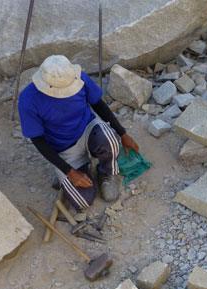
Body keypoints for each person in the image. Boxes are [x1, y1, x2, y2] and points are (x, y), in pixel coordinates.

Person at [18, 55, 139, 211]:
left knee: (110, 140)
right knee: (83, 201)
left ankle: (105, 173)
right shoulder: (28, 100)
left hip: (87, 129)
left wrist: (122, 133)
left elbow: (98, 104)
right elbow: (38, 141)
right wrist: (69, 171)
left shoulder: (77, 76)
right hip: (63, 149)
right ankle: (82, 169)